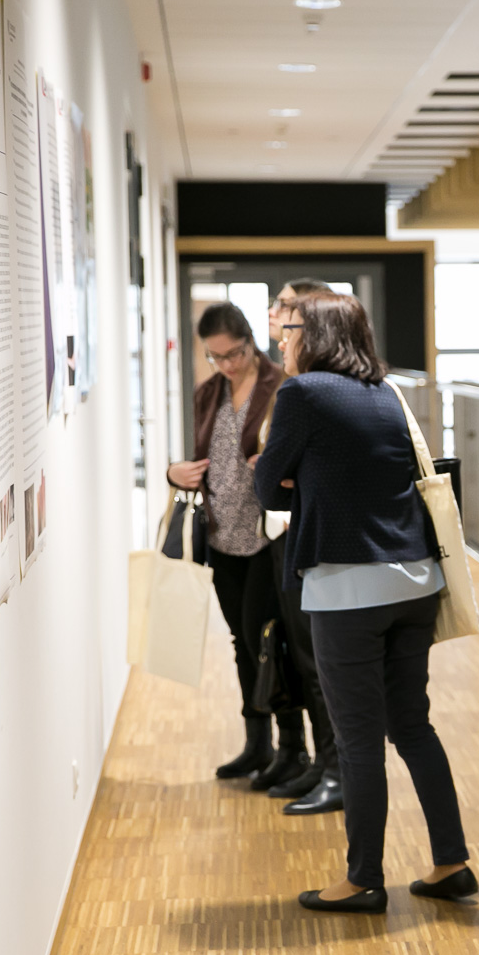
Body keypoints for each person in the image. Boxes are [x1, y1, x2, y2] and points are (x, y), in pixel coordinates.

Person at [253, 290, 475, 914]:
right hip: (414, 583)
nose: (284, 340)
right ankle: (451, 862)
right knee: (412, 725)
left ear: (315, 335)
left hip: (348, 589)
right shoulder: (387, 393)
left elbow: (267, 487)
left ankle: (363, 879)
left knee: (357, 740)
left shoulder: (303, 394)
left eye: (291, 329)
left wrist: (299, 479)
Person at [167, 303, 308, 786]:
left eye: (234, 354)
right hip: (221, 536)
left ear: (250, 341)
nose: (226, 364)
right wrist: (174, 473)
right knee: (242, 643)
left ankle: (292, 748)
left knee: (267, 638)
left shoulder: (281, 385)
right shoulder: (207, 394)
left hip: (268, 537)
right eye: (215, 356)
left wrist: (272, 466)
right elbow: (200, 457)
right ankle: (256, 743)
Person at [259, 277, 344, 814]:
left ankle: (335, 770)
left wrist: (281, 478)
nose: (276, 315)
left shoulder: (310, 389)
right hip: (287, 533)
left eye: (286, 308)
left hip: (309, 538)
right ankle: (322, 763)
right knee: (305, 660)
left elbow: (274, 478)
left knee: (320, 665)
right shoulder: (295, 382)